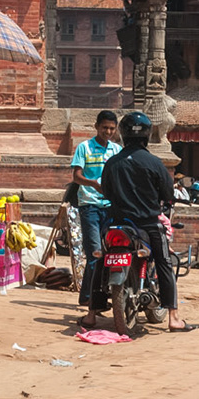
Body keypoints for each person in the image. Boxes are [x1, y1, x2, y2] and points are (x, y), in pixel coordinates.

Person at [87, 111, 191, 333]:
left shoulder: (112, 163)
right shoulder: (154, 163)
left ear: (122, 134)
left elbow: (105, 191)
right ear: (146, 135)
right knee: (164, 262)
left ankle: (91, 314)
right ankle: (173, 317)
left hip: (116, 224)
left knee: (101, 260)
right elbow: (168, 194)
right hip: (147, 224)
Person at [68, 110, 120, 312]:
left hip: (110, 207)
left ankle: (97, 295)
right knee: (95, 253)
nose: (108, 131)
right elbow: (76, 176)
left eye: (112, 129)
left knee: (111, 252)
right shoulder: (84, 147)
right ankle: (89, 298)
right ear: (97, 126)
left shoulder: (116, 150)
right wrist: (94, 185)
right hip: (89, 205)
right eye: (105, 127)